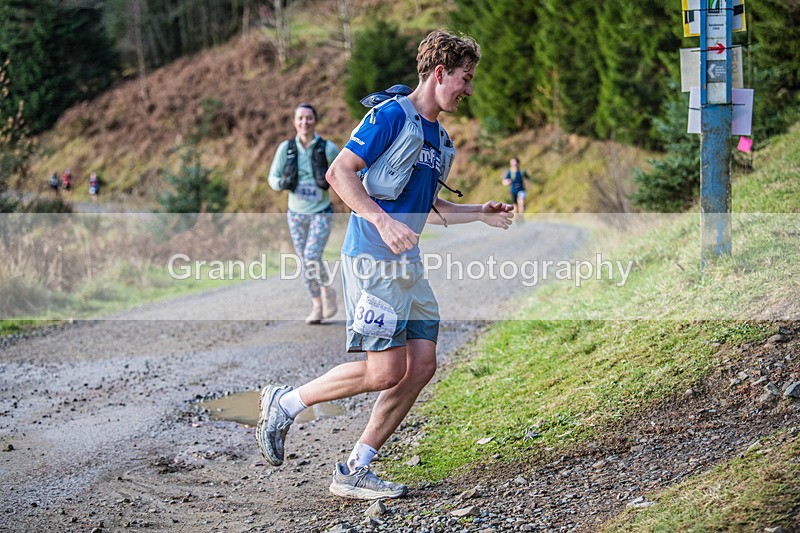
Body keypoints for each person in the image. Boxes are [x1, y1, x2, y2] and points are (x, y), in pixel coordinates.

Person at [257, 30, 514, 500]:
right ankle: (286, 403)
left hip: (408, 266)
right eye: (465, 78)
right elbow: (340, 173)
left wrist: (478, 212)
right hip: (372, 259)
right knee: (383, 371)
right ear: (440, 74)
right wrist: (380, 220)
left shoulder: (440, 138)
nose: (469, 89)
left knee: (421, 365)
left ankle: (355, 468)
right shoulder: (390, 116)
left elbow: (426, 206)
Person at [268, 103, 340, 324]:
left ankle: (327, 290)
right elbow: (272, 177)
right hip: (295, 213)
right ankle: (317, 304)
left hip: (321, 211)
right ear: (294, 122)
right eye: (300, 118)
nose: (304, 122)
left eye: (308, 118)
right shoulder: (286, 148)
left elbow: (343, 172)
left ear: (315, 121)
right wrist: (281, 183)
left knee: (311, 257)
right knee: (306, 261)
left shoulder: (328, 148)